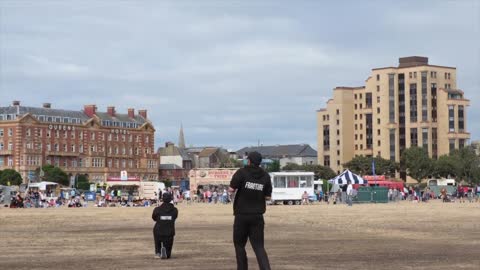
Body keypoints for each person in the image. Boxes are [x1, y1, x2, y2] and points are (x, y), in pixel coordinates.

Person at [229, 151, 272, 270]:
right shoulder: (266, 176)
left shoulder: (241, 172)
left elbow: (231, 189)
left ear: (249, 161)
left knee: (239, 245)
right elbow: (268, 197)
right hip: (257, 216)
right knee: (259, 247)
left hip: (241, 215)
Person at [152, 193, 178, 259]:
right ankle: (167, 252)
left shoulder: (157, 209)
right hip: (169, 230)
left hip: (158, 230)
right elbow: (174, 217)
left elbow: (154, 218)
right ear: (170, 199)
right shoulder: (175, 210)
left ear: (162, 199)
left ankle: (158, 252)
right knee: (168, 244)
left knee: (157, 241)